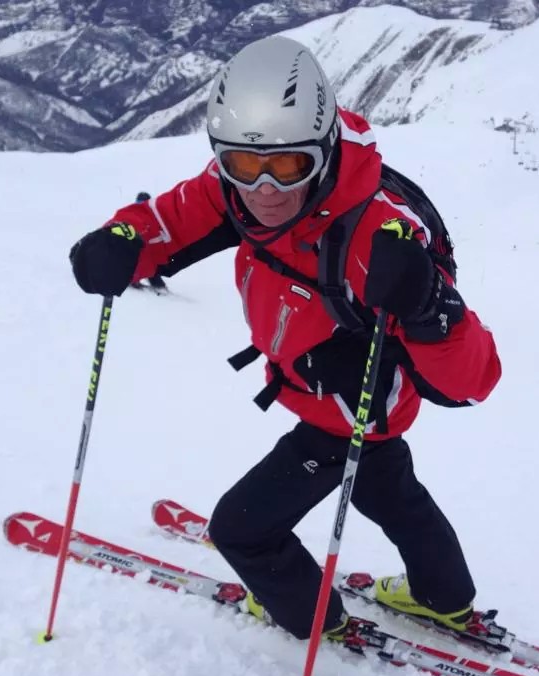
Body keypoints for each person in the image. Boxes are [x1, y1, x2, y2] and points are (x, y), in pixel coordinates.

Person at [68, 36, 501, 642]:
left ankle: (308, 614)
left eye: (290, 165)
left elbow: (472, 382)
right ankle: (445, 598)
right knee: (391, 495)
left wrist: (429, 303)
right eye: (245, 166)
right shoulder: (234, 188)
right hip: (341, 396)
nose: (265, 189)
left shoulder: (375, 232)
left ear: (324, 149)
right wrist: (125, 240)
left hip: (346, 412)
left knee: (241, 530)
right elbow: (174, 219)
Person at [129, 192, 168, 292]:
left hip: (147, 246)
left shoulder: (152, 214)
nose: (141, 205)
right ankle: (132, 280)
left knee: (149, 265)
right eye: (140, 203)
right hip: (136, 246)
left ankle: (159, 286)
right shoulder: (132, 213)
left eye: (144, 203)